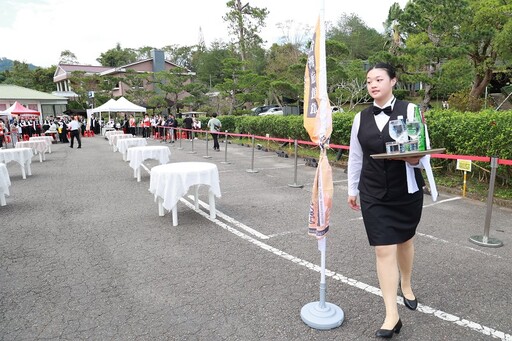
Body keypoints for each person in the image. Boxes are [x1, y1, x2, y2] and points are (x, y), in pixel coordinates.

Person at [347, 62, 425, 339]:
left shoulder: (411, 110)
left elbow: (421, 151)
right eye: (369, 81)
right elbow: (356, 156)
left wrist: (415, 159)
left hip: (406, 191)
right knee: (383, 249)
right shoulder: (360, 117)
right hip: (373, 191)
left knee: (405, 240)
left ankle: (407, 284)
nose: (373, 85)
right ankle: (392, 315)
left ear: (393, 81)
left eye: (378, 79)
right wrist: (352, 189)